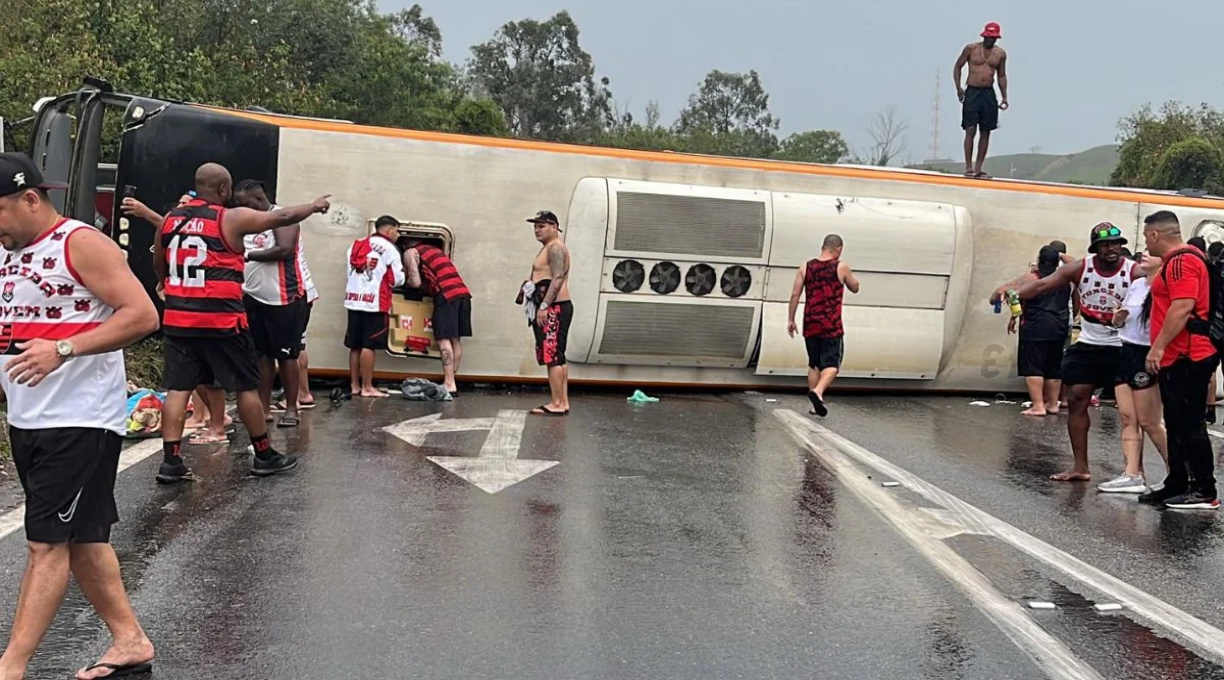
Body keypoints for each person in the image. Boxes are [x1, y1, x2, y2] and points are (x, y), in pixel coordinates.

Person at [0, 152, 159, 680]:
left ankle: (11, 668)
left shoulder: (81, 244)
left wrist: (62, 351)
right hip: (29, 417)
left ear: (30, 198)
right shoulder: (11, 251)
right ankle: (129, 641)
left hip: (79, 419)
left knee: (47, 543)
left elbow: (142, 315)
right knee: (85, 539)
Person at [157, 163, 329, 483]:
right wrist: (314, 205)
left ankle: (171, 461)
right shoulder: (229, 218)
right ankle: (264, 454)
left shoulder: (170, 219)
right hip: (221, 318)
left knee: (178, 388)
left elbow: (160, 261)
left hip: (180, 318)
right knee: (246, 387)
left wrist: (164, 284)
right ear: (223, 190)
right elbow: (280, 217)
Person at [1018, 223, 1139, 482]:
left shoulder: (1134, 271)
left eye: (1116, 243)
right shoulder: (1082, 267)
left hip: (1123, 346)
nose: (1112, 248)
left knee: (1130, 412)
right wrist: (1013, 294)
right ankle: (1080, 467)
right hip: (1089, 344)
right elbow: (1041, 285)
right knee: (1076, 400)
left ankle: (1135, 472)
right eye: (1106, 244)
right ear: (1096, 248)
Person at [120, 195, 232, 444]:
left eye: (185, 203)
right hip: (182, 306)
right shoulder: (177, 229)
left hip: (201, 307)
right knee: (191, 374)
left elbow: (168, 226)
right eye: (178, 204)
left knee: (201, 373)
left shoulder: (201, 227)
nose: (180, 208)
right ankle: (205, 417)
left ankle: (214, 420)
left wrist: (145, 211)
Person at [1141, 210, 1220, 509]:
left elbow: (1183, 307)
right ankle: (1177, 481)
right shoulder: (1178, 261)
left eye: (1147, 236)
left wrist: (1158, 348)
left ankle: (1204, 489)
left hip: (1188, 354)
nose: (1146, 243)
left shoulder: (1182, 261)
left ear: (1155, 235)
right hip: (1179, 355)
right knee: (1175, 422)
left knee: (1190, 424)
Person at [233, 179, 308, 427]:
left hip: (283, 297)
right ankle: (262, 408)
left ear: (258, 199)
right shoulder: (250, 222)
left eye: (245, 204)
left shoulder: (281, 217)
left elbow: (285, 249)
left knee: (286, 355)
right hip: (253, 296)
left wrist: (248, 255)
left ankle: (291, 408)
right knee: (261, 355)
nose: (242, 210)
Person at [1099, 251, 1169, 493]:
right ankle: (1132, 474)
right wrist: (1117, 319)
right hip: (1126, 350)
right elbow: (1122, 320)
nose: (1144, 255)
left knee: (1150, 421)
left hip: (1146, 354)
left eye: (1152, 254)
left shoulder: (1164, 287)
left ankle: (1178, 471)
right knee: (1128, 417)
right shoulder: (1137, 285)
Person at [788, 233, 860, 417]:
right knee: (832, 364)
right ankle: (818, 392)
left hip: (810, 321)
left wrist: (791, 319)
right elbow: (855, 287)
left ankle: (814, 405)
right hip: (831, 323)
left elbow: (795, 294)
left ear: (823, 247)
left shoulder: (806, 266)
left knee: (814, 364)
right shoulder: (841, 266)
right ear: (839, 249)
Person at [992, 245, 1070, 416]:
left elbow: (1008, 292)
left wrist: (1000, 303)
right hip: (1059, 326)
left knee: (1033, 366)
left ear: (1039, 260)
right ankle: (1052, 404)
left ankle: (1038, 406)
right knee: (1053, 367)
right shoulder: (1065, 278)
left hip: (1035, 326)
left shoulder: (1031, 277)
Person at [401, 236, 472, 395]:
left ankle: (449, 383)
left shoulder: (411, 252)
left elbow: (415, 281)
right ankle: (451, 379)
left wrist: (404, 281)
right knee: (455, 339)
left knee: (443, 339)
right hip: (463, 294)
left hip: (445, 295)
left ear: (406, 243)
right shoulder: (436, 251)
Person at [344, 215, 404, 397]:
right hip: (375, 302)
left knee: (355, 345)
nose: (398, 234)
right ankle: (367, 387)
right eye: (397, 230)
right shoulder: (390, 249)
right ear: (388, 230)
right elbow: (396, 279)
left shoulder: (356, 245)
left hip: (354, 300)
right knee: (368, 345)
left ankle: (354, 385)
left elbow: (349, 272)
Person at [524, 210, 572, 416]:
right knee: (557, 356)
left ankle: (557, 403)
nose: (537, 229)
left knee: (552, 356)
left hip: (555, 308)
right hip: (553, 307)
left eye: (542, 226)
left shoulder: (555, 249)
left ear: (554, 227)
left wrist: (544, 306)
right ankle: (562, 401)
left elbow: (558, 278)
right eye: (535, 226)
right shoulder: (548, 248)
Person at [953, 22, 1009, 179]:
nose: (990, 40)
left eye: (993, 38)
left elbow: (1002, 75)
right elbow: (958, 66)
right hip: (972, 92)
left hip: (988, 94)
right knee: (970, 128)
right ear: (983, 36)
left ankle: (978, 168)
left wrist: (1004, 96)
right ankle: (968, 166)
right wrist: (958, 88)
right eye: (988, 37)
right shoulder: (971, 49)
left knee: (986, 130)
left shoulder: (1000, 54)